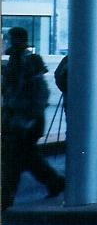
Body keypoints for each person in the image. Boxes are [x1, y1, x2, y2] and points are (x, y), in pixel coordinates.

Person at [1, 27, 65, 209]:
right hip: (20, 119)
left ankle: (6, 198)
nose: (7, 41)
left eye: (9, 38)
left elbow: (38, 92)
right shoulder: (17, 60)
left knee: (11, 160)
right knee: (26, 158)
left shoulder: (26, 61)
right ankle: (55, 182)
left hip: (23, 120)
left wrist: (28, 118)